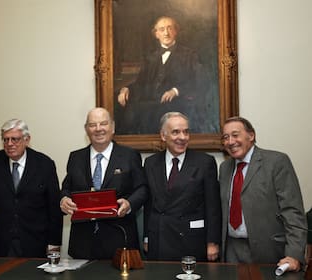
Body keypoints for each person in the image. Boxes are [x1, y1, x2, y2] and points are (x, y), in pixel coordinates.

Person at [220, 116, 307, 271]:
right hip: (231, 250)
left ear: (251, 136)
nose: (230, 142)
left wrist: (294, 254)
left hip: (269, 251)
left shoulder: (276, 162)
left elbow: (293, 211)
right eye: (225, 137)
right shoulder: (225, 168)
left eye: (235, 135)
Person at [60, 107, 148, 259]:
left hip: (120, 240)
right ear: (86, 129)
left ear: (112, 127)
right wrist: (64, 199)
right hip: (83, 243)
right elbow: (67, 187)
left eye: (103, 123)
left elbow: (142, 188)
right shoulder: (76, 157)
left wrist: (129, 203)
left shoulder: (129, 155)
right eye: (93, 125)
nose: (98, 129)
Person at [0, 119, 62, 258]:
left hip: (35, 242)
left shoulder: (44, 164)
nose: (10, 144)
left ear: (27, 139)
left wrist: (54, 243)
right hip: (1, 242)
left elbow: (54, 207)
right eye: (5, 140)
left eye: (15, 139)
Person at [143, 112, 221, 261]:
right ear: (163, 136)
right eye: (176, 132)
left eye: (186, 132)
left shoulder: (204, 162)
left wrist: (212, 242)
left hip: (191, 239)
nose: (182, 137)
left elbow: (213, 207)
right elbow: (149, 204)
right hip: (159, 238)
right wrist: (147, 237)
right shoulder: (150, 163)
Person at [116, 16, 210, 134]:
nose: (166, 33)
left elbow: (200, 81)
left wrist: (175, 91)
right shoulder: (150, 57)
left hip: (178, 106)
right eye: (162, 29)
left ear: (175, 31)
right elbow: (140, 83)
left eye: (169, 28)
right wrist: (126, 89)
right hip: (151, 107)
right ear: (156, 34)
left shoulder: (189, 55)